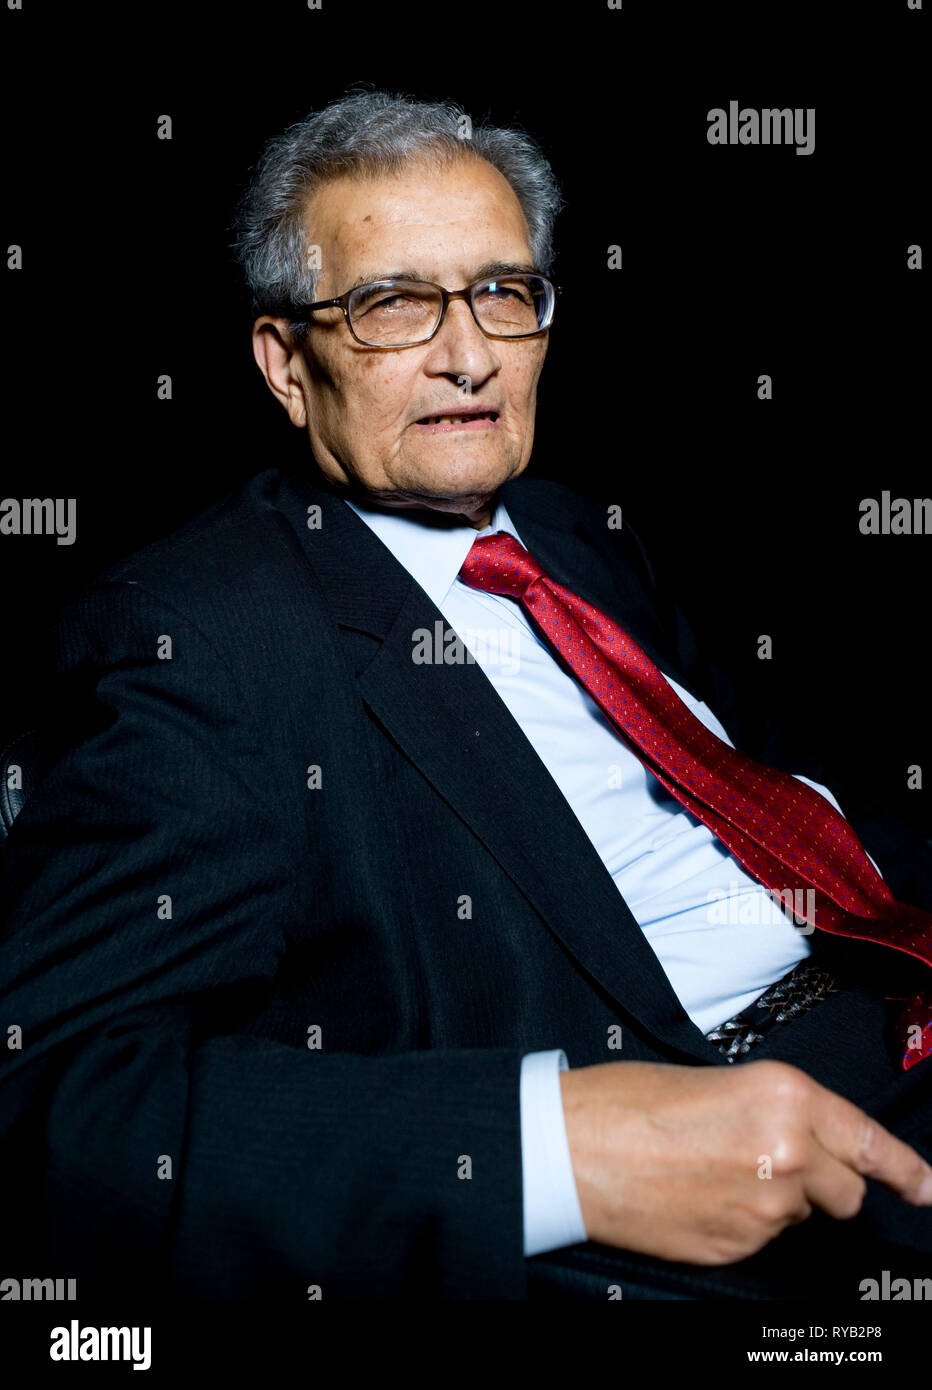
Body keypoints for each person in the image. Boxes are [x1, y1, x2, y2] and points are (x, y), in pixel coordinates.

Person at [1, 89, 930, 1302]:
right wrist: (552, 1146)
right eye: (394, 303)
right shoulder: (192, 637)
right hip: (757, 1144)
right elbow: (59, 1104)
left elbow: (731, 786)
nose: (469, 352)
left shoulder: (566, 528)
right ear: (286, 363)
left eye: (502, 291)